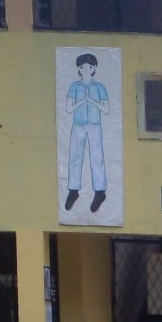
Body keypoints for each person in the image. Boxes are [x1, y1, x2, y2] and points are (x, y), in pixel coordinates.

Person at [64, 54, 108, 213]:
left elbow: (106, 109)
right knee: (75, 156)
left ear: (94, 68)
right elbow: (68, 109)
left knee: (97, 157)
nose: (86, 69)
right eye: (82, 67)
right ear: (78, 69)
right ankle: (73, 190)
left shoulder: (100, 87)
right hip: (78, 124)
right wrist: (83, 101)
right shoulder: (75, 86)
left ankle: (100, 191)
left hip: (95, 125)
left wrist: (92, 101)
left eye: (89, 66)